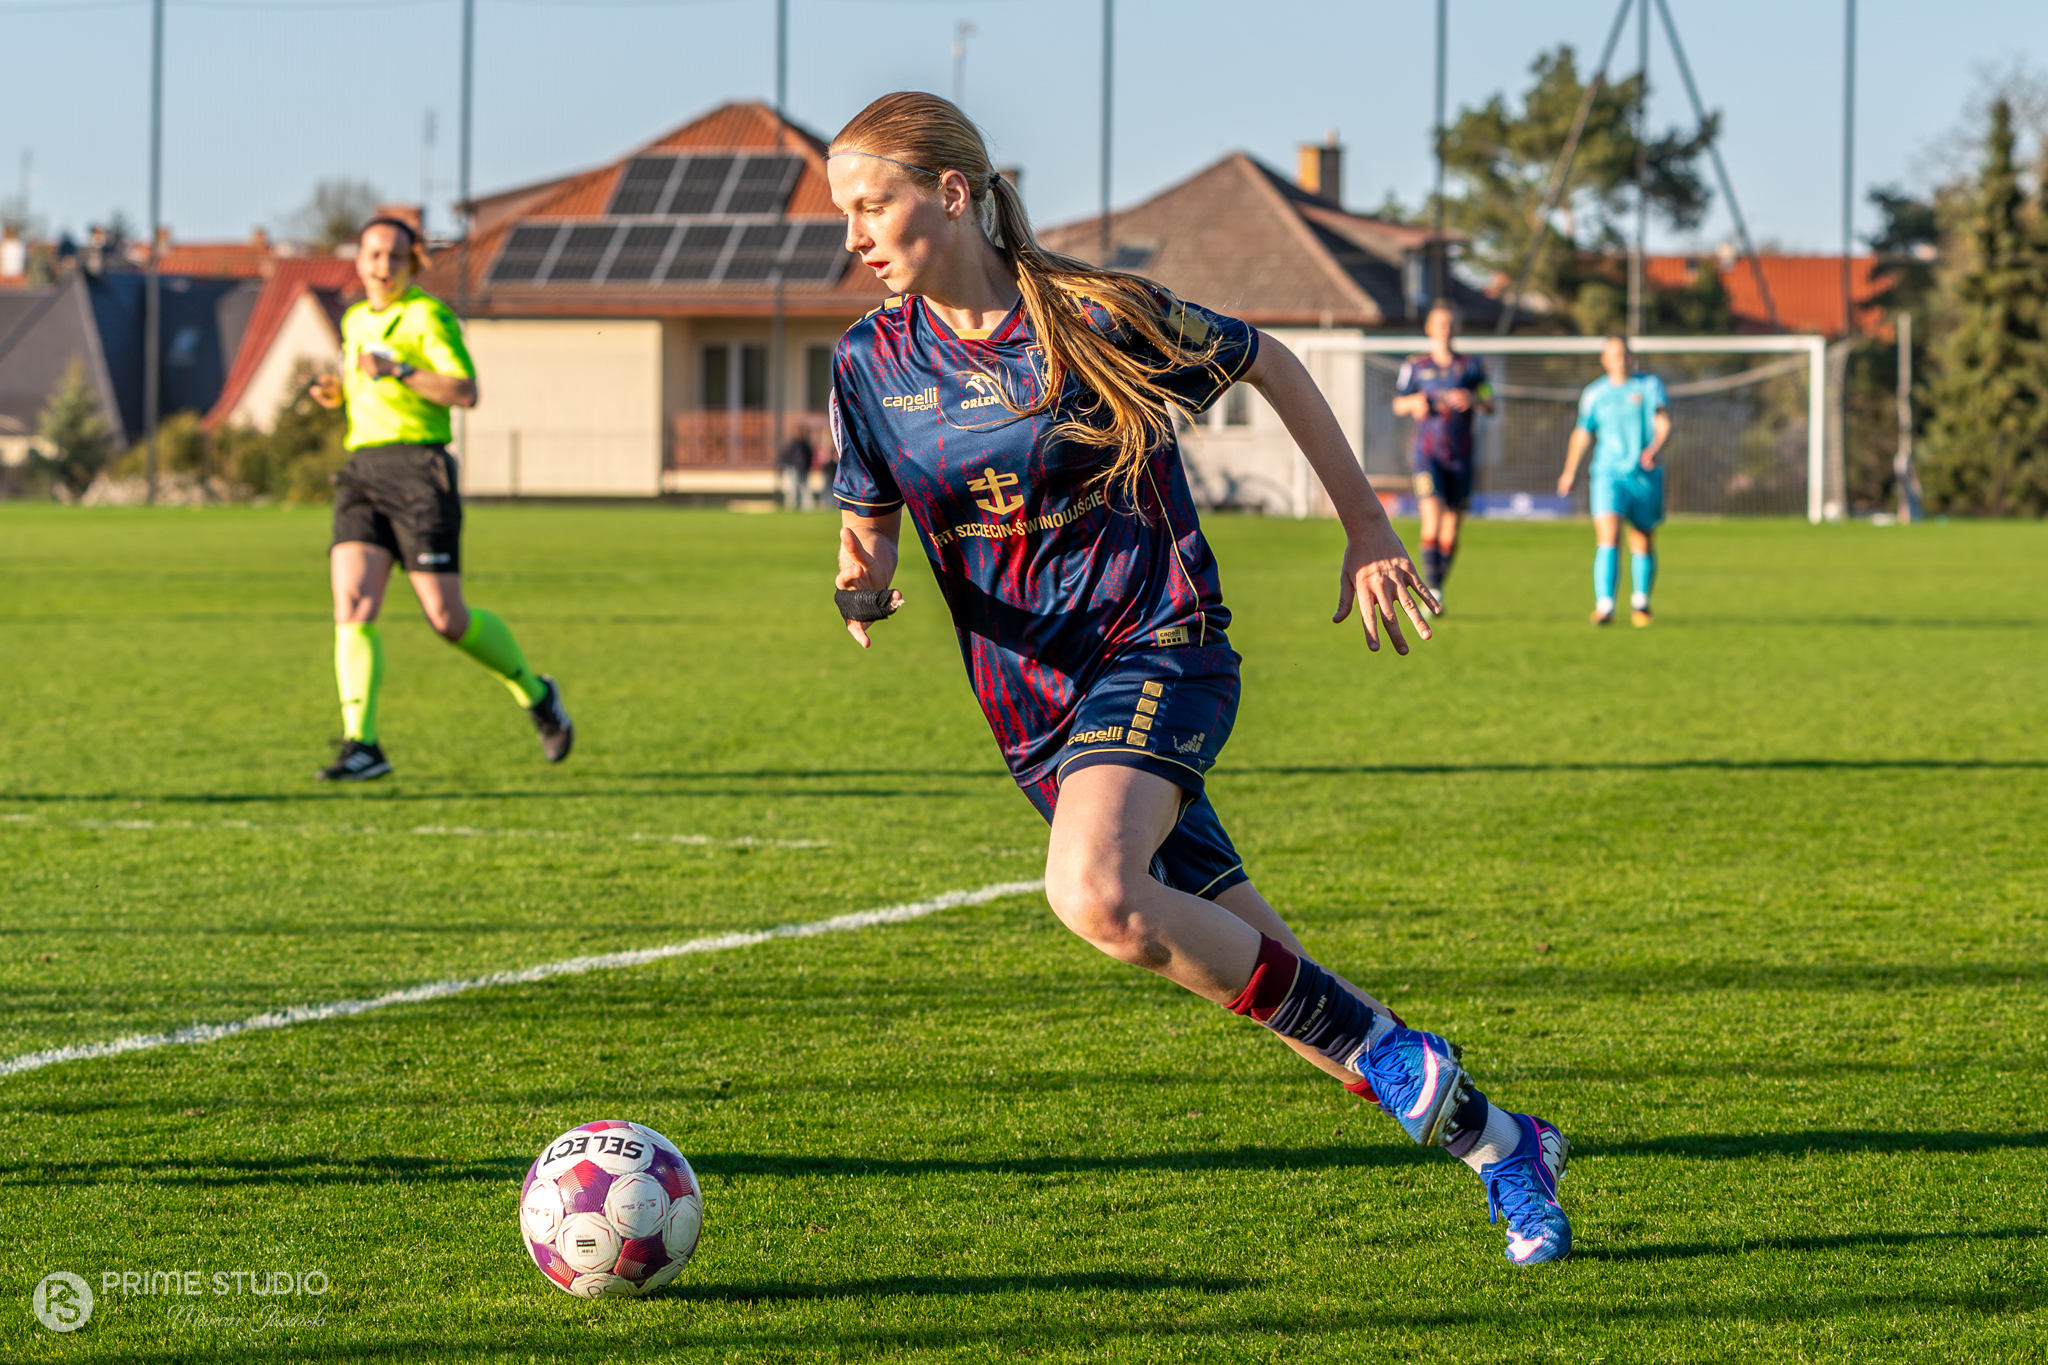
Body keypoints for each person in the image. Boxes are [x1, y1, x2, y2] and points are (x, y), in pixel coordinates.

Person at [825, 92, 1572, 1266]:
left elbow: (1268, 360)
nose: (854, 236)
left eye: (871, 206)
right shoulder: (867, 362)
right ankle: (1501, 1145)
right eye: (844, 214)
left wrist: (1366, 525)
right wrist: (860, 586)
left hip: (1158, 646)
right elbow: (866, 526)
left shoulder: (1091, 316)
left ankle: (1401, 1062)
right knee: (1276, 986)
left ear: (951, 193)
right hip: (1031, 713)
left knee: (1093, 894)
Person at [308, 217, 572, 781]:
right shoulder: (355, 320)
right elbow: (364, 388)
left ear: (412, 263)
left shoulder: (427, 316)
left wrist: (400, 369)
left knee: (447, 619)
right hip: (362, 470)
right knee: (351, 604)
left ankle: (536, 693)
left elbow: (464, 390)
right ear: (358, 260)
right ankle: (362, 743)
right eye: (373, 254)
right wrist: (338, 392)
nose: (382, 265)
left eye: (394, 256)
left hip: (419, 471)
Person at [1555, 335, 1671, 627]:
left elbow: (1662, 420)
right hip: (1608, 474)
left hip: (1644, 474)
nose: (1621, 360)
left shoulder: (1649, 386)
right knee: (1608, 535)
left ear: (1632, 357)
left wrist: (1656, 447)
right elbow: (1583, 432)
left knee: (1642, 538)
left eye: (1625, 354)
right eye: (1615, 355)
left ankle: (1640, 603)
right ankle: (1605, 606)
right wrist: (1569, 471)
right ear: (1604, 360)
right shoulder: (1594, 393)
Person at [1390, 301, 1493, 604]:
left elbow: (1490, 402)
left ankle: (1436, 587)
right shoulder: (1416, 366)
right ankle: (1432, 589)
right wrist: (1415, 403)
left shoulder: (1473, 366)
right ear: (1429, 329)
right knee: (1432, 518)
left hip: (1461, 456)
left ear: (1457, 328)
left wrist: (1473, 399)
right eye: (1440, 323)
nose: (1445, 329)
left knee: (1452, 527)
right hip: (1427, 455)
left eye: (1450, 324)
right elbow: (1398, 403)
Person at [778, 423, 818, 511]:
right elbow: (787, 456)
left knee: (805, 488)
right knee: (792, 488)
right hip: (793, 468)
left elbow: (809, 456)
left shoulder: (806, 444)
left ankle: (807, 507)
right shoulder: (792, 444)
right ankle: (791, 507)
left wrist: (808, 467)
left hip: (804, 469)